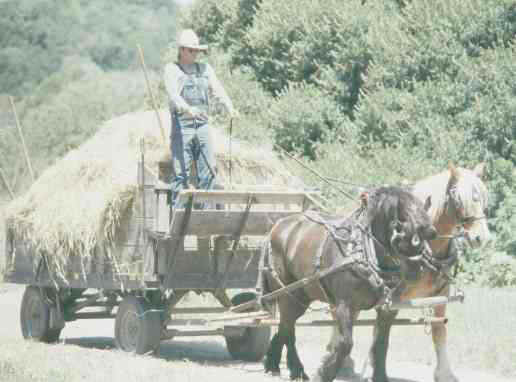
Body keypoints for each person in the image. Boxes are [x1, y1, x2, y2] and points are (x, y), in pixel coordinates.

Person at [164, 29, 237, 206]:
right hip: (183, 126)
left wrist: (229, 106)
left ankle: (206, 218)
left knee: (209, 171)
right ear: (181, 50)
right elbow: (173, 95)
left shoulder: (205, 69)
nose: (195, 53)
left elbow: (217, 89)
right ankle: (177, 221)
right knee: (181, 173)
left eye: (197, 50)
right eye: (191, 50)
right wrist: (187, 108)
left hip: (203, 125)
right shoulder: (172, 70)